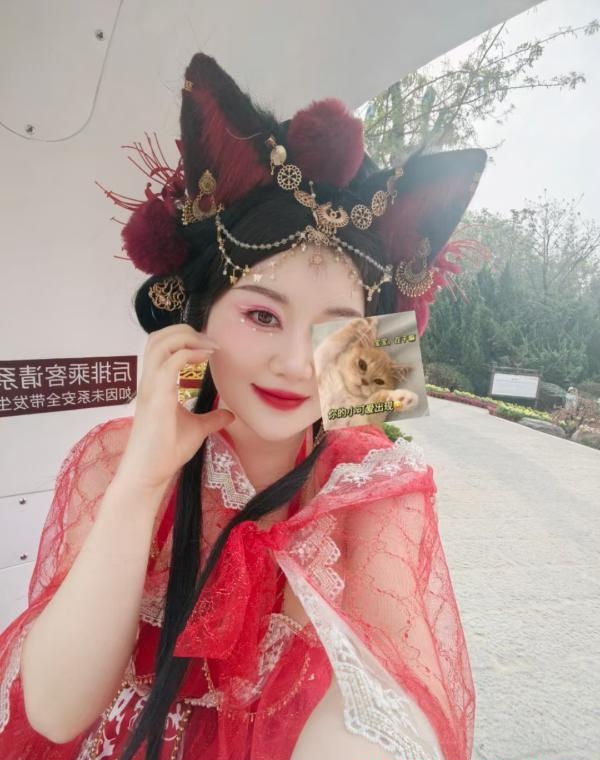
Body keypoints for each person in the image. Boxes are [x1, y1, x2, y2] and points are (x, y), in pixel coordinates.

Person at [0, 53, 486, 760]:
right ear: (197, 316)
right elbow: (53, 712)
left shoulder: (371, 486)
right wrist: (143, 480)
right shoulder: (115, 455)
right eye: (261, 316)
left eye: (333, 330)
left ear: (365, 341)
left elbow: (391, 708)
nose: (296, 363)